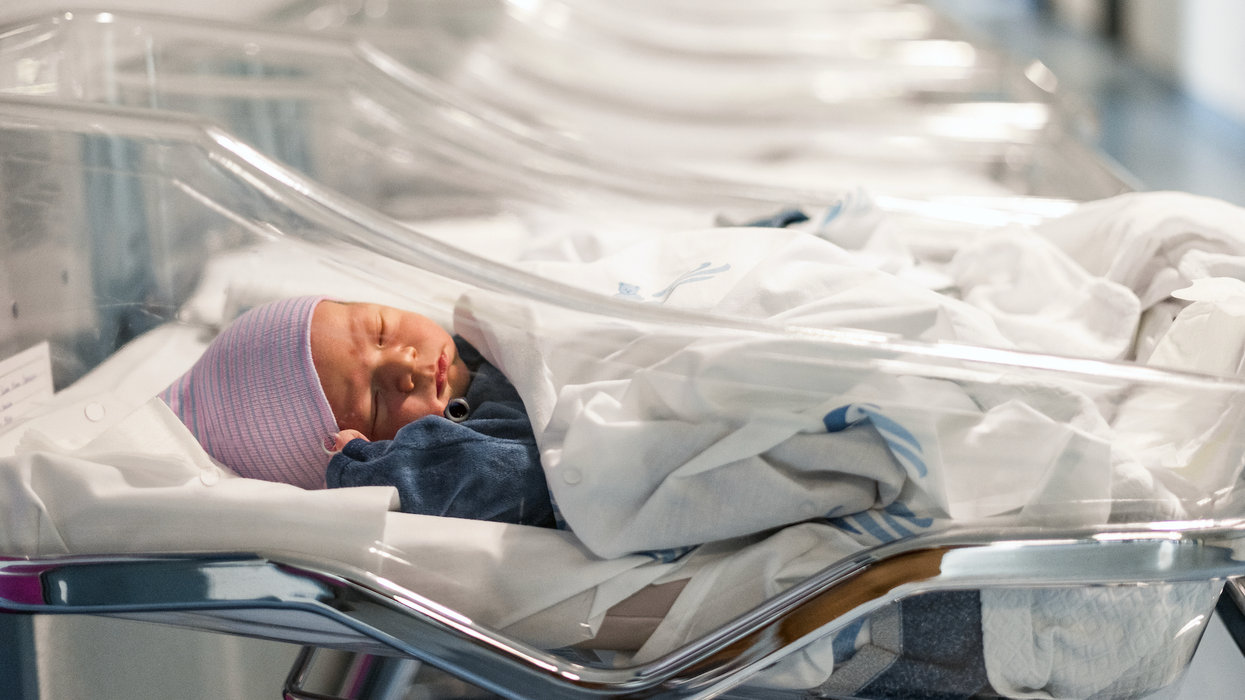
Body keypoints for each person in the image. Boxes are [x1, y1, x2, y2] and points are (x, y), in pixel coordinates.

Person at [161, 295, 555, 527]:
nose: (405, 364)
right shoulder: (478, 444)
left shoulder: (481, 338)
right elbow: (526, 475)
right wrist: (375, 472)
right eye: (376, 403)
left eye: (382, 331)